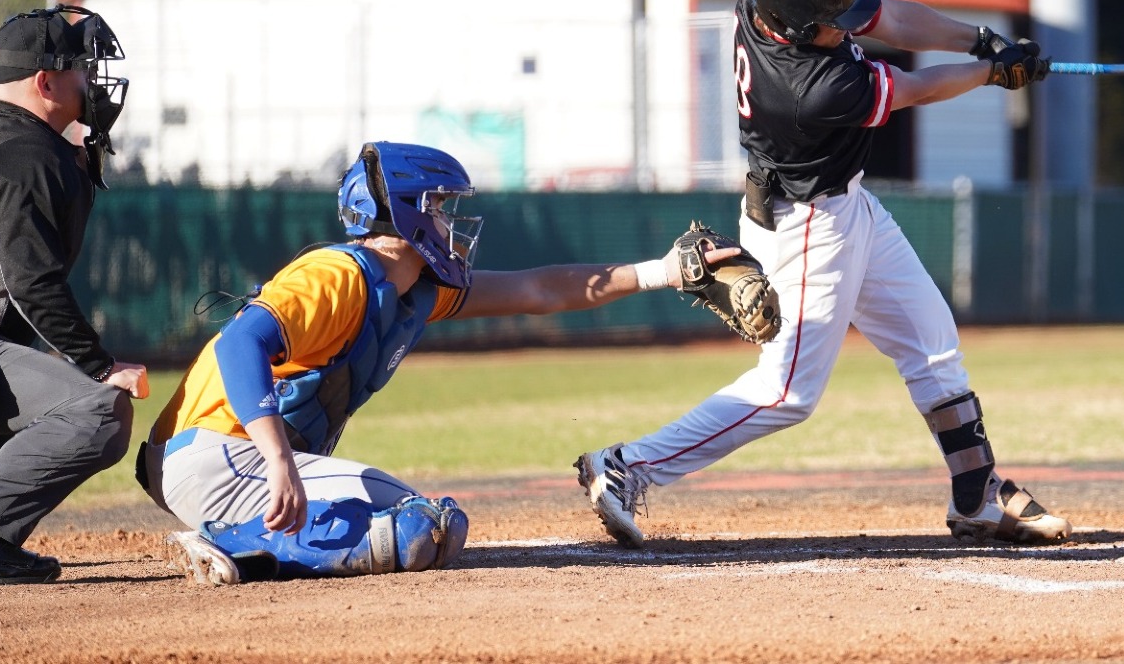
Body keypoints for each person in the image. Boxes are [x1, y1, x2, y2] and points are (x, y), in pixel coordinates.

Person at [576, 0, 1070, 549]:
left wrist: (980, 39)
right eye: (837, 20)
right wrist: (993, 74)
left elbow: (890, 18)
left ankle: (977, 492)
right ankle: (627, 466)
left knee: (931, 339)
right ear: (801, 25)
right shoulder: (816, 89)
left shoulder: (766, 8)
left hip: (845, 202)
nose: (853, 24)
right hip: (808, 224)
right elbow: (916, 88)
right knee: (787, 392)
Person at [144, 141, 738, 585]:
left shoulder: (411, 288)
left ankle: (245, 538)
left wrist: (663, 271)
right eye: (441, 206)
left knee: (428, 527)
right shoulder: (339, 275)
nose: (452, 223)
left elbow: (539, 290)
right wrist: (278, 459)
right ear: (406, 214)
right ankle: (235, 546)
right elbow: (238, 343)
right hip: (215, 456)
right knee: (423, 528)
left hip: (230, 460)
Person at [0, 5, 147, 586]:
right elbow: (32, 284)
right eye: (80, 69)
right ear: (45, 81)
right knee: (100, 411)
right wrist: (100, 365)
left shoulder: (17, 142)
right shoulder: (23, 154)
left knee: (19, 411)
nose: (91, 82)